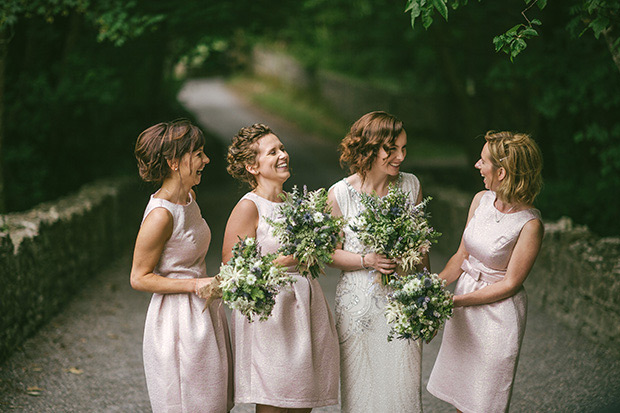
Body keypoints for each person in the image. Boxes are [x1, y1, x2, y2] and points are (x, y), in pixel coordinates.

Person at [222, 123, 339, 413]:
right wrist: (283, 262)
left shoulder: (294, 204)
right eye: (272, 152)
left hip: (304, 308)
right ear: (252, 166)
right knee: (275, 401)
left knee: (302, 402)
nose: (282, 155)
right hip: (270, 315)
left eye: (282, 148)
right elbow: (231, 272)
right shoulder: (249, 208)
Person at [427, 131, 544, 413]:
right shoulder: (480, 200)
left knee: (484, 400)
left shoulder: (530, 225)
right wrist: (428, 289)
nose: (477, 166)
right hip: (466, 299)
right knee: (461, 394)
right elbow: (460, 257)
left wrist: (454, 302)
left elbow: (510, 284)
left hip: (497, 316)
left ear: (502, 172)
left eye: (483, 162)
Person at [130, 119, 233, 413]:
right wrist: (194, 284)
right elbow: (138, 278)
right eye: (198, 153)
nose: (206, 160)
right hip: (176, 321)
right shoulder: (161, 215)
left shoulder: (190, 197)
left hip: (203, 313)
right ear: (174, 162)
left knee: (212, 403)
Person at [327, 111, 427, 412]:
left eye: (403, 149)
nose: (400, 157)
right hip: (358, 308)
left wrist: (422, 288)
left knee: (404, 389)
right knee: (363, 390)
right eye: (391, 149)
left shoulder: (411, 186)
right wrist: (367, 259)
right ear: (369, 149)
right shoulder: (340, 193)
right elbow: (330, 253)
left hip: (402, 304)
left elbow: (423, 251)